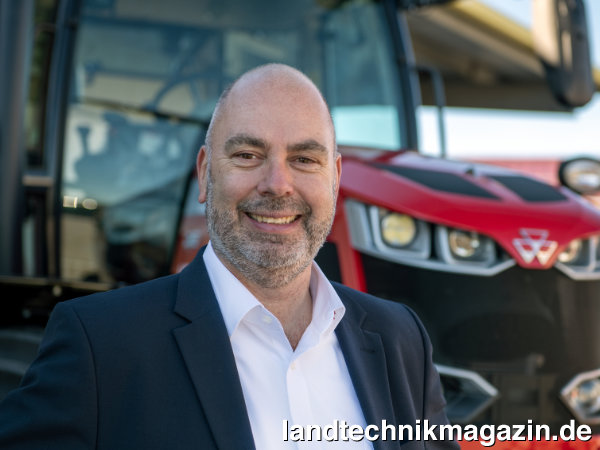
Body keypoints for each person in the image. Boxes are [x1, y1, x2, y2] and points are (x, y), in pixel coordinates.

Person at [0, 64, 458, 449]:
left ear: (335, 179)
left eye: (304, 159)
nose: (277, 184)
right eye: (247, 154)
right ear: (204, 174)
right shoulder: (99, 346)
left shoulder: (401, 340)